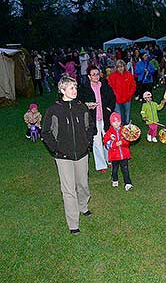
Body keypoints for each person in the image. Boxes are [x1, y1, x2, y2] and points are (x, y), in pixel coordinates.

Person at [42, 76, 95, 234]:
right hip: (63, 157)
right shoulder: (54, 110)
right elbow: (46, 133)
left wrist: (87, 142)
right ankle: (73, 223)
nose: (75, 90)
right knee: (68, 190)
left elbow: (90, 126)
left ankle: (83, 206)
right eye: (71, 88)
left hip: (82, 153)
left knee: (83, 184)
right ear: (62, 90)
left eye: (76, 87)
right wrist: (56, 149)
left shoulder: (81, 107)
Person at [78, 65, 116, 172]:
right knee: (96, 141)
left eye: (97, 74)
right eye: (93, 74)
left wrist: (109, 109)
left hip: (105, 117)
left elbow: (112, 97)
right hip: (92, 119)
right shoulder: (84, 88)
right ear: (89, 76)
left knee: (108, 139)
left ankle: (109, 159)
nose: (96, 76)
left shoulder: (105, 86)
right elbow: (79, 102)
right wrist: (87, 105)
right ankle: (101, 165)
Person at [103, 112, 133, 191]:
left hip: (124, 154)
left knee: (125, 169)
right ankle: (115, 179)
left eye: (118, 121)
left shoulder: (124, 130)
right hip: (114, 156)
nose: (116, 123)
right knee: (114, 169)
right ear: (111, 123)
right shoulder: (109, 133)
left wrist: (123, 142)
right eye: (114, 121)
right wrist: (114, 144)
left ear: (120, 121)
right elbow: (106, 143)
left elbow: (128, 141)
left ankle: (128, 183)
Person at [108, 59, 136, 125]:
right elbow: (110, 87)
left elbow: (133, 86)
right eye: (118, 67)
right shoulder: (112, 76)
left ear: (124, 66)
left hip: (127, 99)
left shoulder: (129, 75)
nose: (120, 68)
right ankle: (120, 130)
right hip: (116, 100)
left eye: (121, 66)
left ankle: (127, 131)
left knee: (127, 117)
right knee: (119, 116)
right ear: (116, 68)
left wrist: (130, 94)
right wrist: (114, 95)